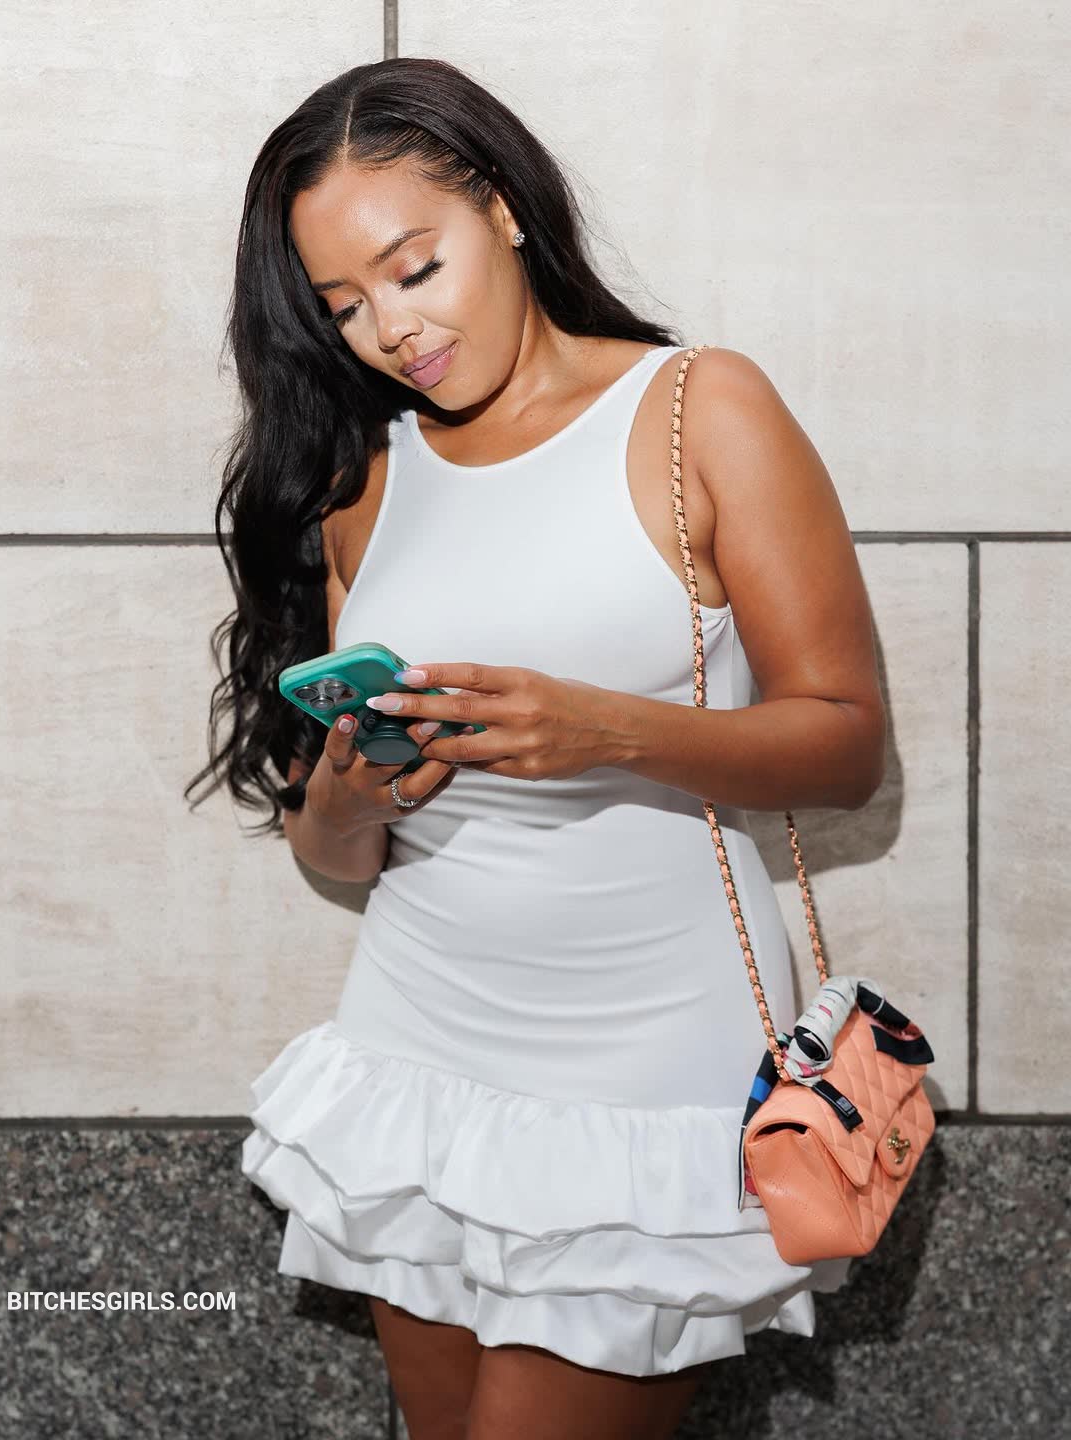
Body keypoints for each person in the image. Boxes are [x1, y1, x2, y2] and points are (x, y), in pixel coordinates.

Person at [187, 56, 886, 1440]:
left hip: (646, 1068)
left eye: (415, 267)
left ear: (503, 207)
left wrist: (600, 729)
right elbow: (340, 855)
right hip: (420, 1044)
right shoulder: (368, 477)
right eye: (345, 305)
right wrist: (351, 788)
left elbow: (847, 743)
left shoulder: (696, 410)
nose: (393, 328)